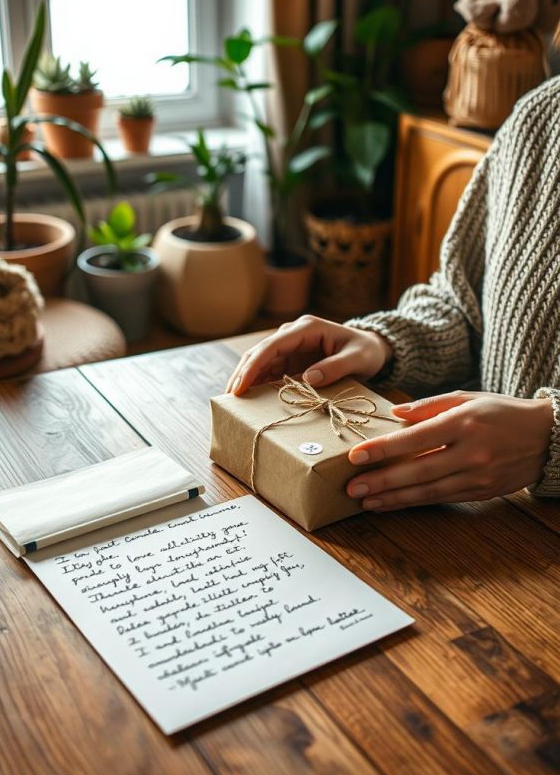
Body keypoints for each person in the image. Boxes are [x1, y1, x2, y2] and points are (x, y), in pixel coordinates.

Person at [227, 78, 560, 511]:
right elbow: (463, 305)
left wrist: (550, 438)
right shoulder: (540, 118)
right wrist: (387, 344)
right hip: (490, 517)